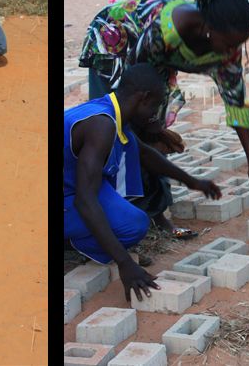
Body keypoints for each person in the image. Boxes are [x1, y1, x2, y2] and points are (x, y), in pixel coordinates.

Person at [78, 0, 249, 239]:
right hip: (117, 40)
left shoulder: (228, 48)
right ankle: (108, 215)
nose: (231, 51)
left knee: (154, 131)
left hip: (154, 63)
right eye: (227, 44)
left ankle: (156, 213)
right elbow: (135, 88)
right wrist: (152, 127)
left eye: (238, 44)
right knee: (117, 128)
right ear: (208, 28)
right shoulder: (166, 31)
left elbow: (236, 104)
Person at [64, 64, 223, 302]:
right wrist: (125, 264)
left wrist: (193, 182)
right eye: (156, 106)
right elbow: (85, 201)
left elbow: (145, 154)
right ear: (143, 98)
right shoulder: (101, 125)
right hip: (65, 195)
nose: (156, 114)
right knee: (131, 227)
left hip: (74, 185)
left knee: (135, 220)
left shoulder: (113, 111)